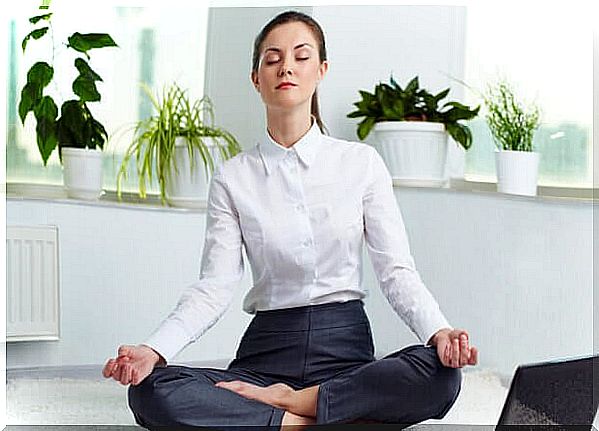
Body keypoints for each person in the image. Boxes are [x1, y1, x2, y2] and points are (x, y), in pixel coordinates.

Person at [102, 10, 478, 430]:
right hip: (265, 355)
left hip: (346, 351)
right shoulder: (233, 176)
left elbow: (396, 272)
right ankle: (312, 420)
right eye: (272, 58)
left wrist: (439, 332)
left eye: (301, 56)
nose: (286, 67)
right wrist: (153, 350)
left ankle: (291, 405)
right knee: (152, 392)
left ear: (321, 70)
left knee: (441, 375)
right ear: (256, 77)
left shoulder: (361, 164)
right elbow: (214, 286)